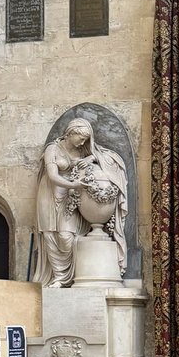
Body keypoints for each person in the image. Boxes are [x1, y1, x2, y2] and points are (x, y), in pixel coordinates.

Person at [33, 118, 127, 287]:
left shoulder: (83, 150)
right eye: (81, 138)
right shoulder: (53, 149)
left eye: (85, 140)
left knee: (66, 236)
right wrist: (73, 184)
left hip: (71, 197)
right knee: (50, 234)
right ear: (70, 133)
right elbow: (53, 176)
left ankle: (68, 276)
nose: (83, 142)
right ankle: (58, 278)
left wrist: (90, 158)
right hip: (50, 193)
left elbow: (106, 157)